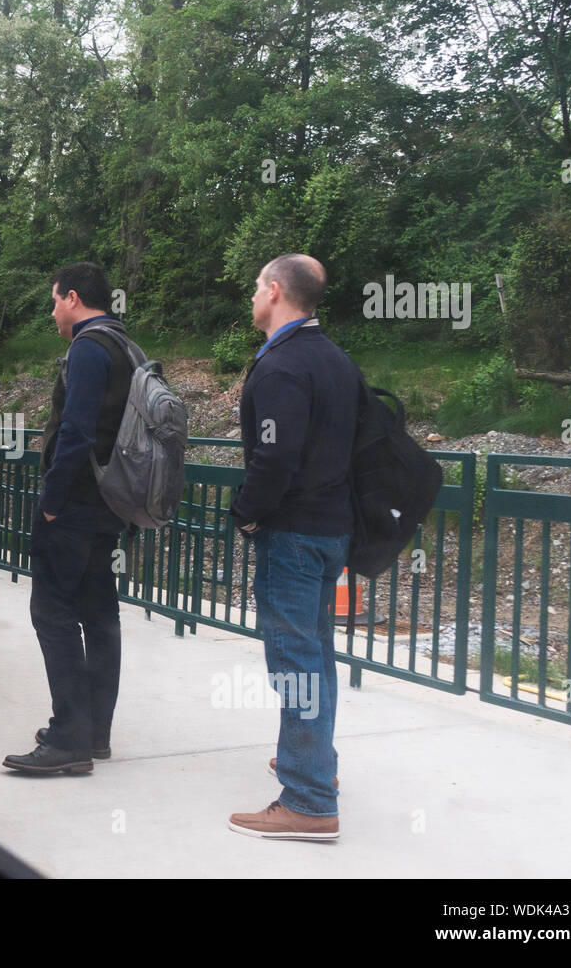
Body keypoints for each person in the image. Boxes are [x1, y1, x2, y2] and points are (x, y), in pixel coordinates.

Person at [226, 253, 357, 840]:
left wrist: (247, 515)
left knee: (295, 661)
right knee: (316, 656)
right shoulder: (334, 359)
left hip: (294, 534)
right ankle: (312, 769)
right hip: (331, 530)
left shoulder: (281, 366)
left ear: (275, 291)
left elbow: (275, 456)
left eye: (257, 286)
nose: (252, 296)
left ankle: (306, 800)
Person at [3, 262, 132, 775]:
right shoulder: (126, 346)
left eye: (54, 300)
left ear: (73, 297)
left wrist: (51, 500)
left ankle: (69, 737)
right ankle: (95, 731)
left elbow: (76, 432)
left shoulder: (86, 348)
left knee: (52, 612)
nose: (53, 310)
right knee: (100, 613)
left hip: (74, 505)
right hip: (110, 504)